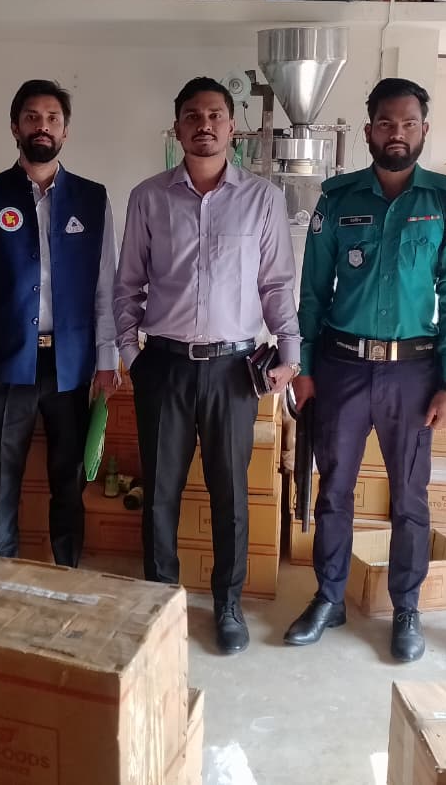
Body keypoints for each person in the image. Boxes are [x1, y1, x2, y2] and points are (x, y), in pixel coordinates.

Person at [284, 77, 446, 662]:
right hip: (341, 367)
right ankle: (329, 597)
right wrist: (304, 367)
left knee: (410, 497)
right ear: (368, 130)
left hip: (413, 375)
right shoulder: (337, 199)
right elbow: (312, 291)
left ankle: (406, 608)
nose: (397, 133)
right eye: (386, 123)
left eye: (408, 123)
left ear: (424, 130)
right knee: (334, 489)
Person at [114, 77, 300, 655]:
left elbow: (276, 284)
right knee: (160, 491)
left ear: (232, 126)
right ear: (177, 128)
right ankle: (159, 602)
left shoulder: (263, 198)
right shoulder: (148, 197)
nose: (204, 125)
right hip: (164, 365)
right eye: (192, 115)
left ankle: (228, 603)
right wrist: (131, 356)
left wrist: (290, 351)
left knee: (230, 492)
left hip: (234, 368)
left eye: (215, 115)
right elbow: (127, 284)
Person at [0, 79, 118, 568]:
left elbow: (105, 288)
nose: (42, 126)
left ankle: (67, 575)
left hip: (72, 366)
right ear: (14, 127)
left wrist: (106, 360)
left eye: (52, 118)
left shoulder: (93, 199)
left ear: (65, 131)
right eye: (31, 117)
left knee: (68, 483)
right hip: (6, 365)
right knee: (2, 483)